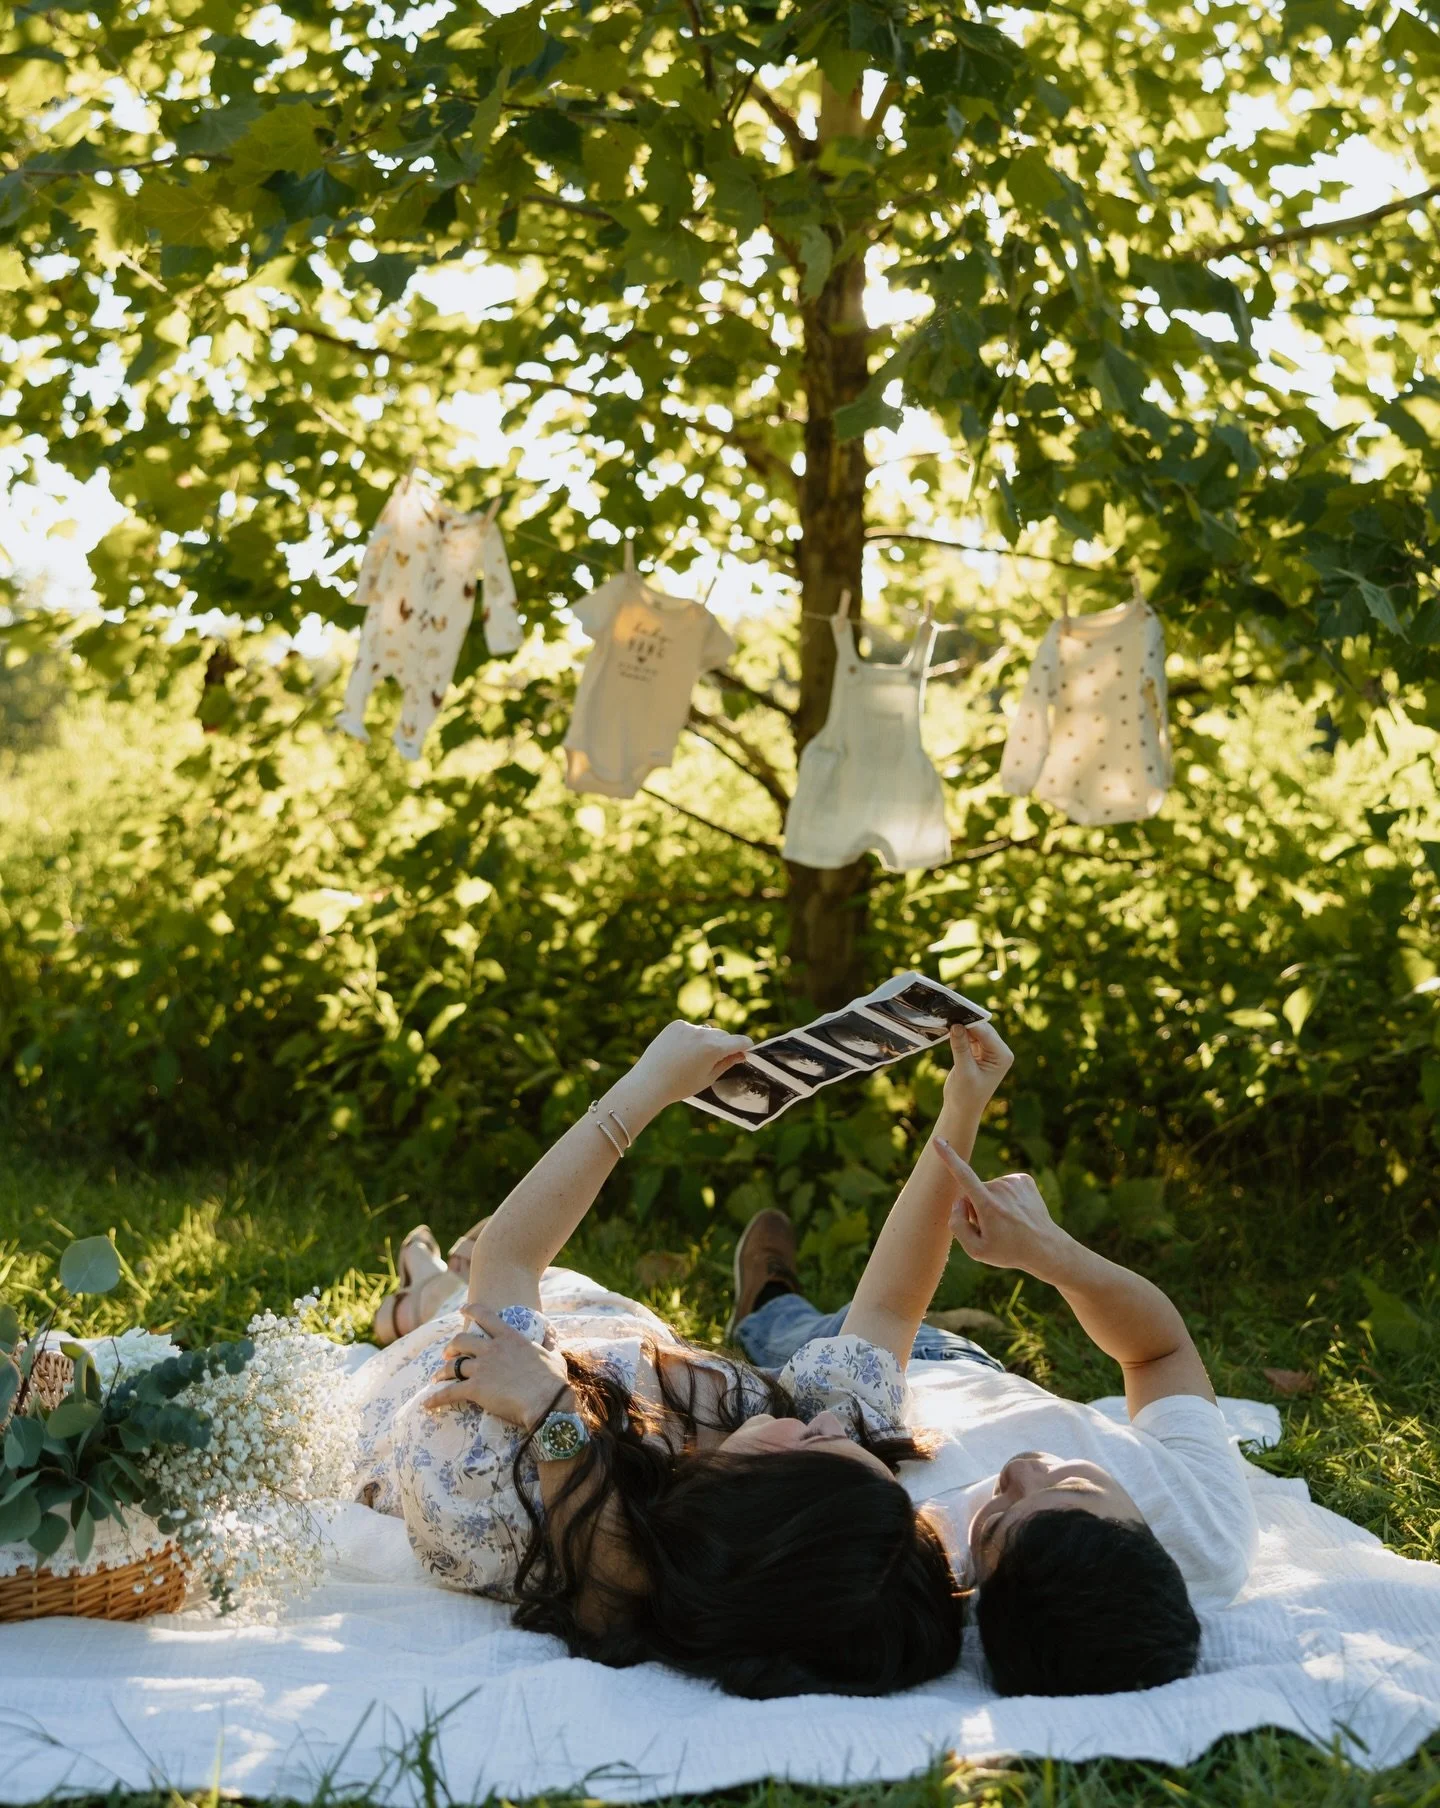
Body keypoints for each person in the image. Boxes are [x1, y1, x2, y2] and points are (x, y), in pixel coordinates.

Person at [354, 1013, 1014, 1698]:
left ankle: (419, 1288)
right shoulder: (798, 1487)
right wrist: (963, 1107)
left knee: (458, 1291)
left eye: (816, 1439)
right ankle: (435, 1279)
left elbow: (513, 1259)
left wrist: (644, 1089)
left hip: (438, 1367)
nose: (836, 1427)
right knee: (484, 1274)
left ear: (756, 1507)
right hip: (589, 1322)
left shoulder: (493, 1476)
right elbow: (886, 1311)